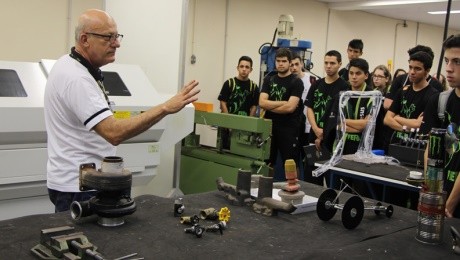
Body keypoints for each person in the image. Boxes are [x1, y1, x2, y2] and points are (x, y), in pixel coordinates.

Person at [44, 9, 200, 212]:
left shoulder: (70, 64)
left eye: (117, 36)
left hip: (78, 181)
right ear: (84, 39)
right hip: (79, 187)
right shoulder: (77, 78)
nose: (116, 43)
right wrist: (165, 108)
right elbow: (114, 132)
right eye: (108, 37)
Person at [383, 51, 438, 209]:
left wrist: (399, 118)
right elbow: (387, 119)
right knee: (393, 199)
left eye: (417, 69)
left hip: (416, 156)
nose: (412, 72)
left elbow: (421, 126)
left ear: (427, 71)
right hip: (395, 151)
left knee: (413, 202)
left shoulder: (433, 96)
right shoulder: (403, 91)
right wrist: (408, 125)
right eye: (410, 67)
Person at [421, 34, 460, 218]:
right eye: (447, 61)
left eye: (457, 62)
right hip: (441, 197)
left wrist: (449, 206)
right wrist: (432, 192)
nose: (449, 68)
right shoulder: (439, 102)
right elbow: (431, 149)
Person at [304, 50, 349, 185]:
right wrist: (316, 129)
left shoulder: (344, 87)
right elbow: (309, 108)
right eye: (326, 63)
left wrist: (323, 133)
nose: (328, 66)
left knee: (331, 180)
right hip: (313, 138)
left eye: (332, 63)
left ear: (340, 64)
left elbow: (342, 116)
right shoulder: (316, 84)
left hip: (331, 141)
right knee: (311, 178)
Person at [259, 48, 304, 180]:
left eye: (284, 61)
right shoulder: (269, 79)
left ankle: (293, 188)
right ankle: (267, 188)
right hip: (270, 127)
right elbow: (261, 102)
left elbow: (290, 108)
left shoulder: (296, 82)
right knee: (268, 161)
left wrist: (270, 105)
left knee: (290, 162)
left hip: (289, 129)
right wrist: (282, 103)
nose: (281, 64)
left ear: (290, 63)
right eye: (278, 61)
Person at [327, 58, 374, 155]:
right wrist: (358, 126)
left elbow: (367, 124)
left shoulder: (372, 96)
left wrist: (342, 121)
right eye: (351, 73)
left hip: (363, 150)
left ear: (366, 75)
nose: (354, 77)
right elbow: (333, 123)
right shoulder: (341, 95)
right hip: (341, 149)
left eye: (358, 73)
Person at [218, 55, 259, 149]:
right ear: (237, 68)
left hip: (243, 127)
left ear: (251, 70)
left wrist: (248, 125)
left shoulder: (254, 87)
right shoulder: (229, 83)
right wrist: (229, 124)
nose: (244, 69)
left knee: (241, 152)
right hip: (226, 127)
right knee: (224, 151)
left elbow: (254, 106)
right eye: (242, 66)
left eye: (247, 67)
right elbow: (222, 103)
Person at [384, 45, 443, 110]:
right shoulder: (400, 80)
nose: (412, 72)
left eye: (417, 68)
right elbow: (387, 105)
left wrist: (397, 115)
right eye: (411, 61)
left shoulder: (436, 86)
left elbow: (429, 114)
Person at [290, 53, 317, 167]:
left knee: (312, 162)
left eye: (297, 64)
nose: (294, 67)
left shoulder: (312, 80)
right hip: (294, 128)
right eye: (291, 65)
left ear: (302, 64)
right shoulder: (288, 81)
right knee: (294, 161)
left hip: (310, 128)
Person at [371, 65, 392, 151]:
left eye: (379, 76)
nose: (376, 79)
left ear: (387, 79)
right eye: (374, 76)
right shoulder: (372, 92)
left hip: (385, 130)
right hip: (374, 129)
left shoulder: (391, 93)